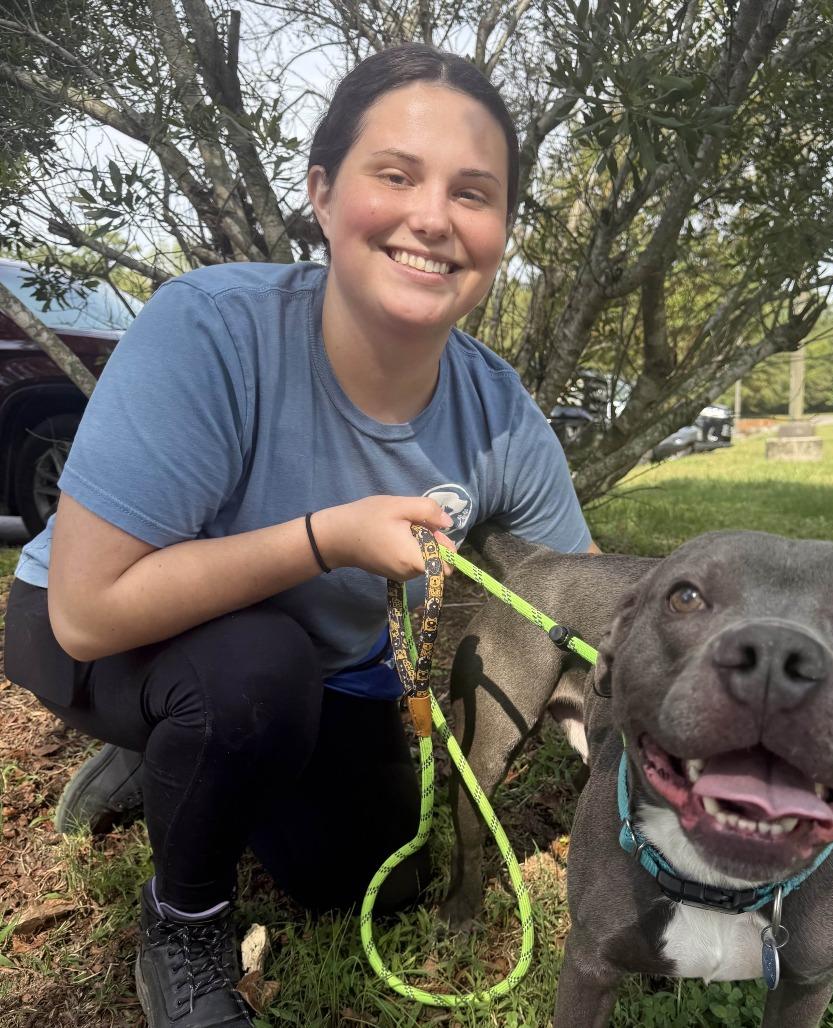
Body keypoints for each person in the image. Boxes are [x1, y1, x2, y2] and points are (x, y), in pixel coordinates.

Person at [3, 43, 594, 1028]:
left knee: (356, 875)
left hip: (321, 668)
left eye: (473, 192)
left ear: (500, 229)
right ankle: (183, 919)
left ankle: (187, 766)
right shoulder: (211, 330)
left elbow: (575, 614)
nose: (432, 217)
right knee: (248, 674)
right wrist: (326, 537)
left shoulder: (500, 415)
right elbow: (89, 606)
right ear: (322, 192)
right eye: (394, 175)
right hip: (90, 626)